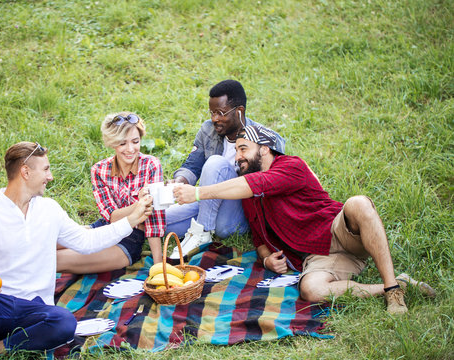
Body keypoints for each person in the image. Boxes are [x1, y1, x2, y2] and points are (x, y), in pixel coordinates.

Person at [173, 125, 435, 314]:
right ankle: (398, 283)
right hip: (318, 259)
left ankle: (393, 292)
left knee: (358, 203)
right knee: (311, 290)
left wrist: (197, 193)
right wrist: (266, 259)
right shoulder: (249, 196)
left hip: (338, 231)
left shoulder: (290, 166)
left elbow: (257, 183)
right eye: (237, 150)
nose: (238, 156)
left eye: (243, 149)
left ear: (264, 149)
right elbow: (259, 238)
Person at [0, 141, 153, 360]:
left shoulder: (49, 210)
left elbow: (87, 241)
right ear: (25, 172)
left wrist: (130, 220)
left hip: (34, 311)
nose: (50, 176)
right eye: (46, 169)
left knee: (64, 322)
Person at [166, 80, 286, 259]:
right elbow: (193, 164)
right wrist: (179, 182)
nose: (215, 119)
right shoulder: (208, 129)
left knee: (216, 163)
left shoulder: (266, 140)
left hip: (238, 212)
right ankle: (201, 229)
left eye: (220, 113)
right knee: (161, 222)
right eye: (212, 112)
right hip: (207, 200)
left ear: (239, 111)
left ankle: (202, 232)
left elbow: (272, 184)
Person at [57, 112, 165, 273]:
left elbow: (154, 217)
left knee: (56, 260)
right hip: (104, 228)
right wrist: (139, 205)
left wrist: (158, 265)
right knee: (46, 243)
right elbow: (112, 217)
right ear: (112, 143)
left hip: (129, 240)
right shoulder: (99, 170)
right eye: (122, 144)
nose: (130, 149)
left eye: (135, 142)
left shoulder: (151, 165)